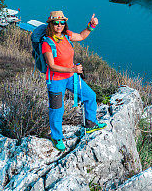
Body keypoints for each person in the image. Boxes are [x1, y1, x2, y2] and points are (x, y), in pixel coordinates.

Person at [41, 10, 106, 151]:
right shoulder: (47, 43)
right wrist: (73, 70)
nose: (59, 25)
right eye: (56, 23)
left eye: (62, 22)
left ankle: (90, 124)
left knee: (90, 96)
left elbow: (82, 36)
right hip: (56, 80)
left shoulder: (67, 36)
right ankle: (56, 137)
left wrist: (91, 26)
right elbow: (51, 65)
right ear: (51, 24)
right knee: (57, 109)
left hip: (71, 77)